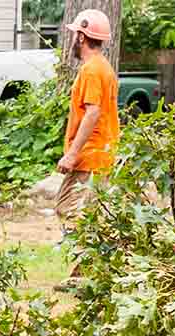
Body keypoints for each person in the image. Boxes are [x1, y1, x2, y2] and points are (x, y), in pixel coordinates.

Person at [54, 9, 120, 232]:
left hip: (90, 156)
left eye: (74, 34)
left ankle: (86, 264)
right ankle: (89, 263)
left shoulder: (91, 71)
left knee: (71, 211)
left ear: (81, 37)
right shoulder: (104, 67)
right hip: (101, 154)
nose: (73, 39)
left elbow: (93, 112)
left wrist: (72, 154)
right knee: (89, 214)